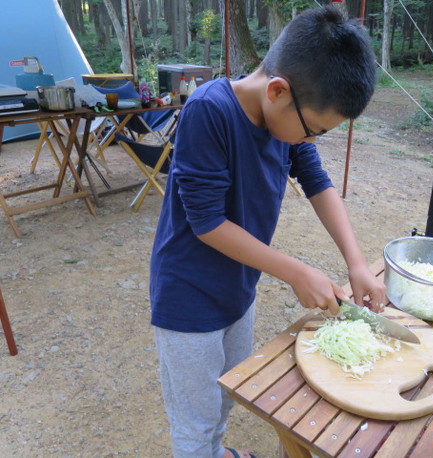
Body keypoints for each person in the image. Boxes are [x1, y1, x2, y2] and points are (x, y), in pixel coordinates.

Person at [150, 5, 385, 458]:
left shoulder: (284, 121)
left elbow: (316, 181)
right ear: (278, 90)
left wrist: (356, 263)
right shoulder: (209, 111)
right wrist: (296, 271)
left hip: (240, 286)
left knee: (225, 395)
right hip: (187, 296)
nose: (309, 141)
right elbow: (207, 223)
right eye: (313, 129)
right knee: (194, 422)